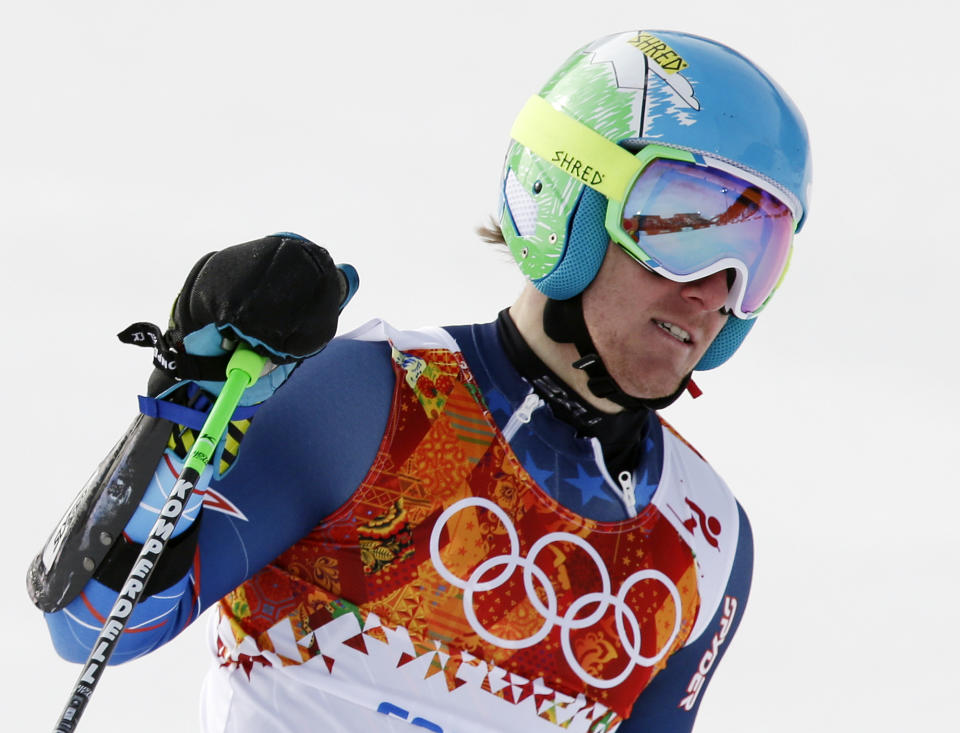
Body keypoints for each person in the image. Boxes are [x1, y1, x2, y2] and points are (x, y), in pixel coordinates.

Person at [29, 29, 811, 732]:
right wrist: (191, 396)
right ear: (567, 201)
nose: (714, 289)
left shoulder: (701, 538)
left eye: (759, 251)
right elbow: (89, 625)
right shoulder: (371, 402)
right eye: (680, 226)